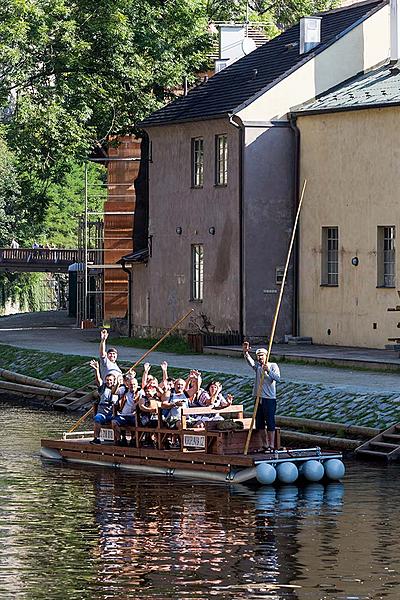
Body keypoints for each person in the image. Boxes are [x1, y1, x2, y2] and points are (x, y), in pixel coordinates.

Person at [243, 341, 281, 452]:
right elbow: (250, 362)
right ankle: (264, 445)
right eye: (258, 356)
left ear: (266, 356)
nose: (260, 358)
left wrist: (268, 371)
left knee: (270, 422)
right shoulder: (258, 367)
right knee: (259, 422)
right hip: (258, 398)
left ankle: (271, 445)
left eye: (262, 356)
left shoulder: (272, 366)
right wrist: (246, 353)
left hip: (269, 399)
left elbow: (278, 378)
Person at [89, 360, 119, 444]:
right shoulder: (103, 388)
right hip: (102, 412)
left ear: (113, 381)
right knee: (97, 419)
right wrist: (97, 369)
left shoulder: (118, 389)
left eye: (110, 380)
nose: (109, 382)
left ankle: (119, 439)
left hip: (112, 413)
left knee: (117, 421)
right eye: (107, 380)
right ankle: (96, 438)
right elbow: (98, 380)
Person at [112, 373, 140, 446]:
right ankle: (120, 439)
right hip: (123, 415)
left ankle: (134, 439)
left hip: (134, 416)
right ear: (128, 385)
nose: (132, 386)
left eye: (134, 384)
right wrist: (118, 383)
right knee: (114, 422)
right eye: (130, 384)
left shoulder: (140, 392)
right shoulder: (124, 390)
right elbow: (113, 392)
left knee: (139, 423)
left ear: (137, 385)